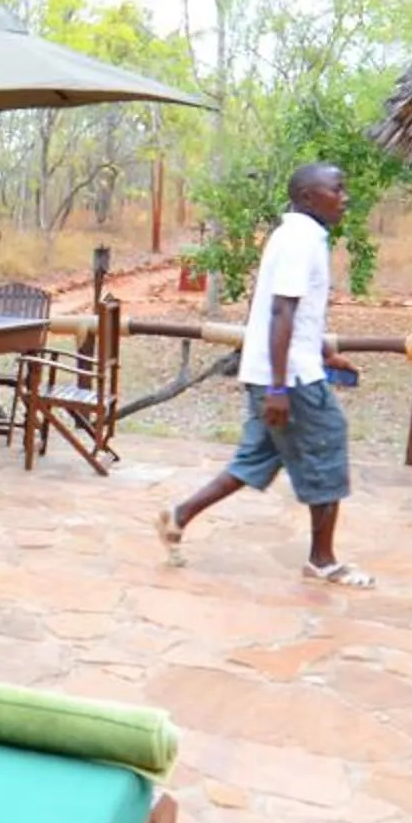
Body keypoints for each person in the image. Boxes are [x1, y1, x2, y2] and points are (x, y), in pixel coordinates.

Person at [155, 161, 372, 588]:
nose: (345, 197)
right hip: (288, 379)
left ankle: (178, 517)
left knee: (255, 459)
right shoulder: (299, 240)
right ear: (309, 196)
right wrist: (278, 387)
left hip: (279, 372)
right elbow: (280, 312)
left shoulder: (298, 236)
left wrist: (325, 352)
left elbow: (294, 313)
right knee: (328, 447)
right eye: (337, 188)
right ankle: (322, 560)